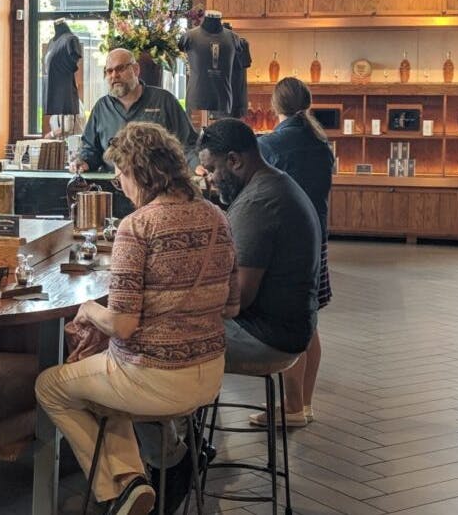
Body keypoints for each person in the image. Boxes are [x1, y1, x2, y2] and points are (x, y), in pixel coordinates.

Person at [36, 122, 239, 515]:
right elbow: (231, 304)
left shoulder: (138, 226)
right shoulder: (217, 217)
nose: (118, 181)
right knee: (96, 378)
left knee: (51, 386)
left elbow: (123, 325)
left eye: (121, 173)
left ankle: (119, 488)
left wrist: (88, 309)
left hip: (153, 378)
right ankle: (137, 479)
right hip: (210, 373)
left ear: (142, 173)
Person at [197, 119, 321, 420]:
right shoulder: (275, 182)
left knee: (165, 334)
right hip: (293, 331)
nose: (209, 180)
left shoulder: (258, 204)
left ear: (234, 160)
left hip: (268, 340)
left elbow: (239, 298)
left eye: (212, 169)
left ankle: (178, 446)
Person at [254, 77, 334, 426]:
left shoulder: (271, 143)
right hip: (318, 236)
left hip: (286, 239)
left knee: (290, 322)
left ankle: (291, 408)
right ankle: (305, 404)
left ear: (275, 105)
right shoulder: (321, 142)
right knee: (310, 321)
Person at [73, 49, 197, 173]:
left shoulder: (164, 100)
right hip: (113, 186)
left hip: (158, 185)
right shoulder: (101, 107)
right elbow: (90, 149)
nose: (114, 75)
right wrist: (84, 162)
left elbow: (188, 144)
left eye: (120, 68)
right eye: (109, 71)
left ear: (136, 69)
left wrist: (196, 166)